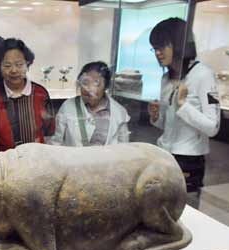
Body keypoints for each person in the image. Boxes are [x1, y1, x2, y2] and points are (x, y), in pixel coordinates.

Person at [147, 18, 220, 203]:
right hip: (164, 153)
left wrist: (183, 105)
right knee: (159, 208)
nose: (157, 52)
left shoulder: (203, 74)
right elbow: (167, 125)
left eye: (162, 46)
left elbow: (213, 127)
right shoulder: (166, 78)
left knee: (185, 214)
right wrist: (156, 116)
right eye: (154, 47)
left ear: (179, 44)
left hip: (189, 160)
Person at [0, 38, 55, 153]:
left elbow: (50, 131)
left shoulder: (40, 94)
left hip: (35, 161)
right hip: (3, 164)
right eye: (7, 65)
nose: (14, 70)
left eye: (19, 65)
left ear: (27, 65)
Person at [49, 61, 130, 146]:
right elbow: (56, 142)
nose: (89, 89)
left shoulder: (118, 112)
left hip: (108, 159)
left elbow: (123, 148)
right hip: (74, 158)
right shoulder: (67, 107)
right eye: (85, 83)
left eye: (96, 83)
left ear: (106, 86)